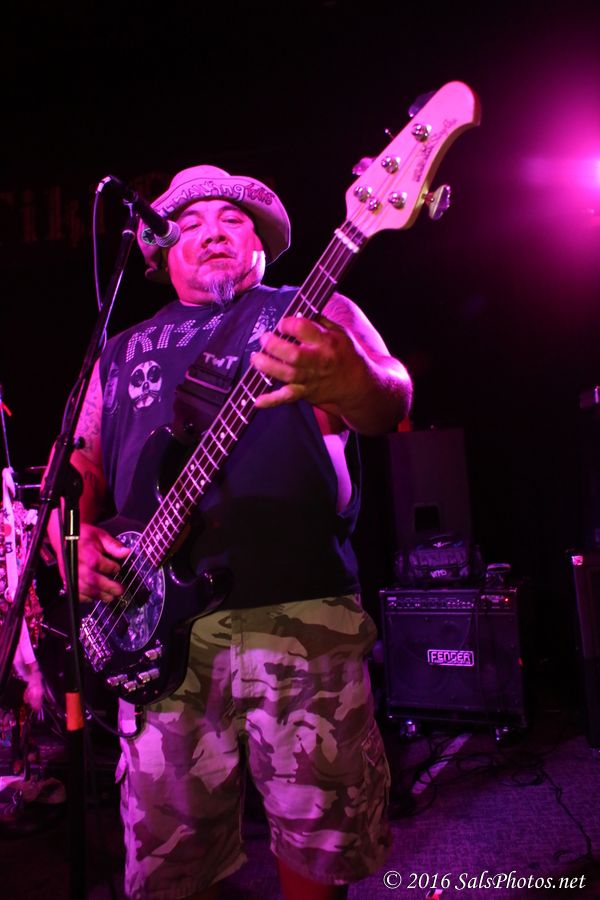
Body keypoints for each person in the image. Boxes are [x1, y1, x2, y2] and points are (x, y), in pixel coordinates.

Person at [49, 165, 413, 900]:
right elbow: (78, 466)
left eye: (233, 219)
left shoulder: (312, 308)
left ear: (262, 242)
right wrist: (74, 543)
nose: (212, 232)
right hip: (151, 634)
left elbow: (390, 398)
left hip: (299, 615)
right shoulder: (119, 351)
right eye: (189, 224)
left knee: (319, 850)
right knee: (171, 869)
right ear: (160, 253)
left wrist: (351, 381)